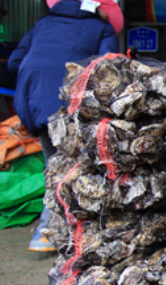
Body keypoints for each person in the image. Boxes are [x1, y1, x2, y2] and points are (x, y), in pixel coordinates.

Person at [9, 0, 121, 252]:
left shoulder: (43, 23)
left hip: (31, 98)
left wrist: (37, 75)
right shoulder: (102, 28)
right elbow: (105, 67)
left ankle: (58, 227)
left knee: (55, 165)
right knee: (70, 168)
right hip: (66, 101)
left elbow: (14, 61)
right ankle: (47, 233)